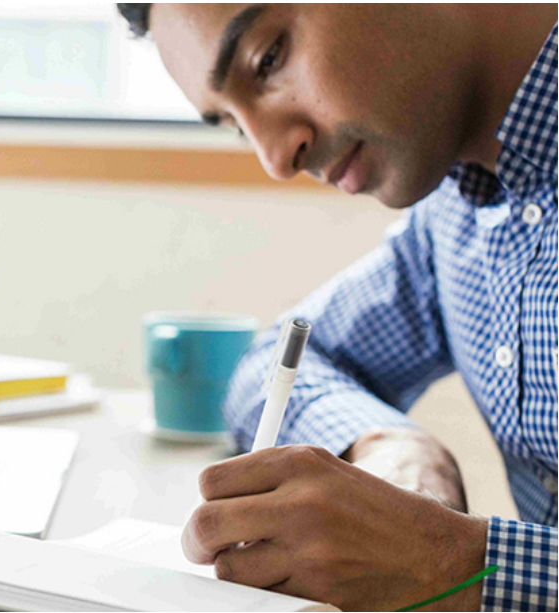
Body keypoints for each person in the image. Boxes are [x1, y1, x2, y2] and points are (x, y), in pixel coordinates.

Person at [117, 4, 556, 611]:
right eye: (235, 126)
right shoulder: (453, 217)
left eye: (268, 58)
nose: (275, 158)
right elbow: (275, 359)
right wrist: (392, 447)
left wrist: (451, 562)